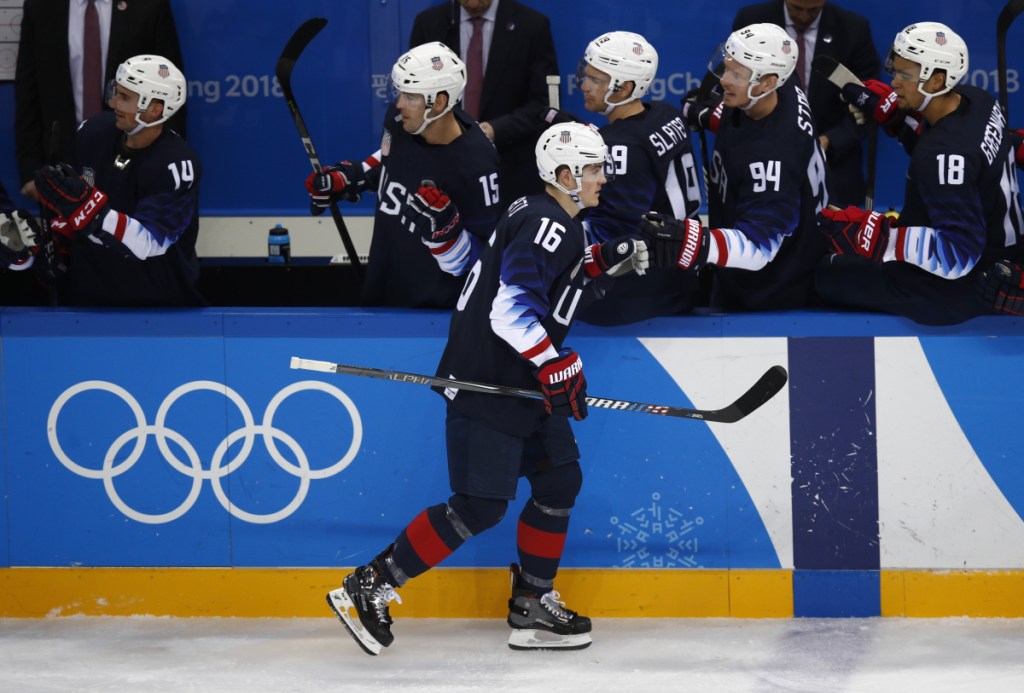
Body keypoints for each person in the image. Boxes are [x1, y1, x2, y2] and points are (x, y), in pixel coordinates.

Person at [325, 122, 648, 655]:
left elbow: (542, 282)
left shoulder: (545, 215)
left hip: (517, 383)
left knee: (559, 480)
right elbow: (510, 310)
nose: (602, 179)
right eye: (593, 170)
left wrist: (600, 262)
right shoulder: (550, 224)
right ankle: (371, 583)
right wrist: (554, 364)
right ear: (565, 176)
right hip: (490, 384)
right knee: (478, 506)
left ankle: (532, 602)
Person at [814, 22, 1024, 326]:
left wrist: (879, 236)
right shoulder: (978, 101)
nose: (894, 82)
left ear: (937, 81)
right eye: (896, 71)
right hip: (1006, 252)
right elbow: (967, 155)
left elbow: (956, 256)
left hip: (961, 287)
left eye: (904, 76)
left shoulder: (942, 156)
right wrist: (901, 120)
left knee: (824, 274)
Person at [645, 23, 828, 311]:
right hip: (766, 268)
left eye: (737, 75)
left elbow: (757, 248)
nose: (723, 82)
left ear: (768, 82)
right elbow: (751, 128)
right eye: (727, 67)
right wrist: (707, 116)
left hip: (771, 286)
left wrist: (693, 241)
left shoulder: (773, 157)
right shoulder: (782, 86)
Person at [305, 42, 503, 308]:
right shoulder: (401, 122)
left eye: (411, 96)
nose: (399, 104)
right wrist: (354, 177)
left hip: (437, 313)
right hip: (383, 287)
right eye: (399, 93)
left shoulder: (478, 164)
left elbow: (487, 264)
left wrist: (448, 237)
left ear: (439, 102)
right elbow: (391, 159)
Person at [31, 54, 204, 307]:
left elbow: (148, 243)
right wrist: (59, 243)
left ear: (155, 109)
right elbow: (69, 201)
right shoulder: (94, 133)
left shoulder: (177, 164)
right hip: (88, 295)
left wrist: (89, 208)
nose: (113, 102)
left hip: (156, 305)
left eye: (125, 97)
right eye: (115, 92)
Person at [571, 31, 703, 325]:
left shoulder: (617, 147)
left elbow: (613, 234)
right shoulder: (665, 112)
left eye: (595, 80)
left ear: (625, 87)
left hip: (638, 296)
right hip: (681, 277)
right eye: (586, 75)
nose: (583, 85)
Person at [15, 0, 186, 201]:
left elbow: (168, 91)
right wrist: (31, 170)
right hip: (61, 169)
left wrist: (168, 165)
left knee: (128, 232)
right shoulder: (41, 6)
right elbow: (28, 92)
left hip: (134, 164)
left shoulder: (148, 6)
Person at [731, 1, 881, 208]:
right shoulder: (753, 21)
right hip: (762, 163)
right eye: (795, 9)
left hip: (833, 171)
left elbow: (868, 102)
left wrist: (828, 141)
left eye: (812, 11)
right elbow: (733, 80)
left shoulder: (853, 29)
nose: (803, 17)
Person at [409, 0, 558, 205]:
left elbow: (542, 104)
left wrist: (493, 130)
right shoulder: (429, 24)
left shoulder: (531, 25)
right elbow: (414, 96)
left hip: (509, 170)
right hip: (441, 173)